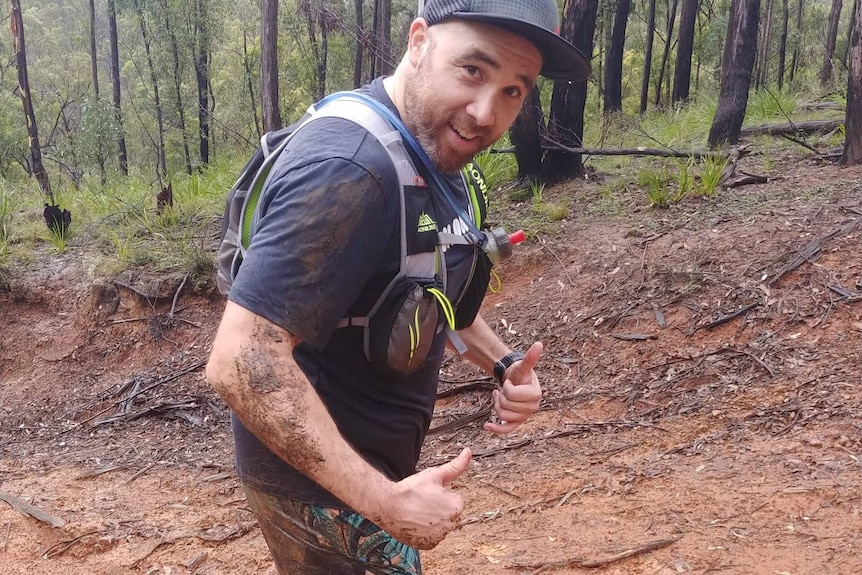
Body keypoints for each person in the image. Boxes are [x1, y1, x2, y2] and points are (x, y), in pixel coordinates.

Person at [205, 1, 590, 573]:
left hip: (369, 475)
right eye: (473, 71)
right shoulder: (349, 167)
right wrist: (384, 502)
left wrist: (502, 362)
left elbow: (431, 289)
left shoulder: (439, 155)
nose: (485, 113)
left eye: (514, 90)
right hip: (324, 489)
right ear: (418, 42)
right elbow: (241, 359)